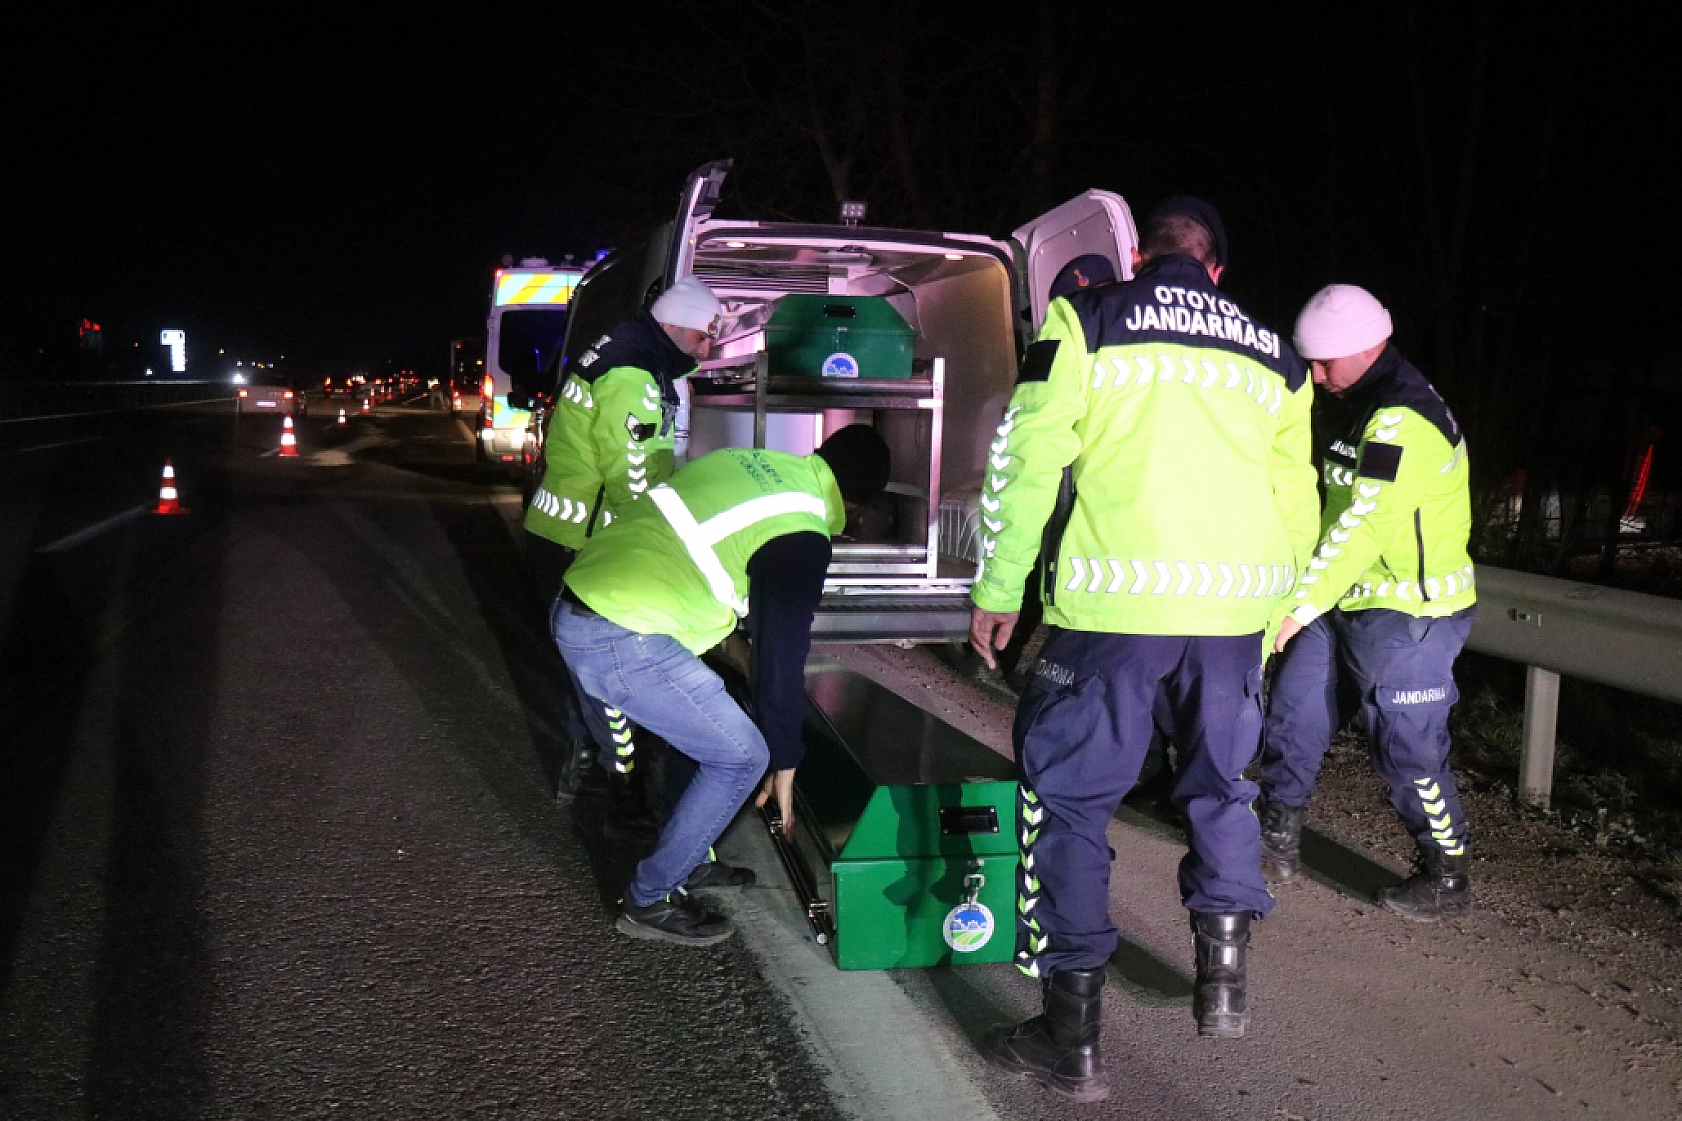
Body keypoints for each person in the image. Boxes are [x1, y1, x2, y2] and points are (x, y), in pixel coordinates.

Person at [968, 196, 1319, 1099]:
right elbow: (1298, 502)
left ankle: (1071, 1038)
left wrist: (1001, 588)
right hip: (1235, 620)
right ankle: (1225, 985)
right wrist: (1277, 611)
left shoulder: (1089, 316)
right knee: (1222, 786)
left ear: (1137, 257)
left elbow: (1029, 453)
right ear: (1218, 270)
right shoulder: (1276, 354)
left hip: (1115, 611)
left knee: (1071, 801)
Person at [553, 426, 892, 945]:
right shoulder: (802, 530)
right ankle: (649, 899)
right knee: (739, 755)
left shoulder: (748, 463)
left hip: (584, 601)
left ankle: (686, 859)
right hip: (619, 634)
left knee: (713, 710)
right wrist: (783, 754)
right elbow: (781, 653)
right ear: (857, 504)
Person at [1258, 284, 1479, 921]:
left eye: (1325, 362)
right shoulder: (1349, 400)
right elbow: (1320, 505)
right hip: (1341, 598)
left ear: (1369, 346)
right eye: (1310, 361)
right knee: (1294, 716)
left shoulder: (1404, 418)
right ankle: (1276, 838)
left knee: (1407, 749)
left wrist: (1297, 605)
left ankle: (1446, 873)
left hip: (1410, 614)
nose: (1316, 374)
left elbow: (1363, 525)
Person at [524, 276, 724, 791]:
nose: (708, 347)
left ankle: (586, 759)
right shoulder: (632, 374)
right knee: (606, 665)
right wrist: (662, 544)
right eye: (704, 336)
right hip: (586, 538)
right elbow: (631, 476)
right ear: (674, 324)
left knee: (577, 659)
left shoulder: (621, 347)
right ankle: (622, 789)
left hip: (560, 526)